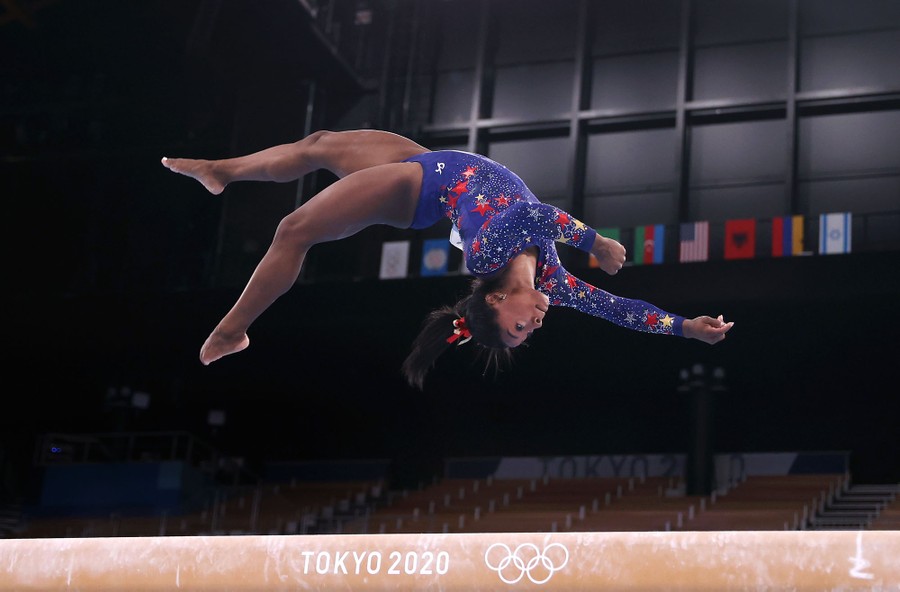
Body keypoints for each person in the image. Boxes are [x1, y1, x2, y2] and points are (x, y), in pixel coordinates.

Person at [162, 129, 733, 389]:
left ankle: (231, 330)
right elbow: (619, 309)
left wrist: (596, 242)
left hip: (417, 189)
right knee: (316, 145)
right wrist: (686, 328)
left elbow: (534, 218)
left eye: (517, 326)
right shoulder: (553, 283)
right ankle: (222, 171)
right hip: (440, 165)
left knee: (294, 230)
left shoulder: (489, 255)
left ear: (496, 298)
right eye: (528, 332)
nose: (534, 323)